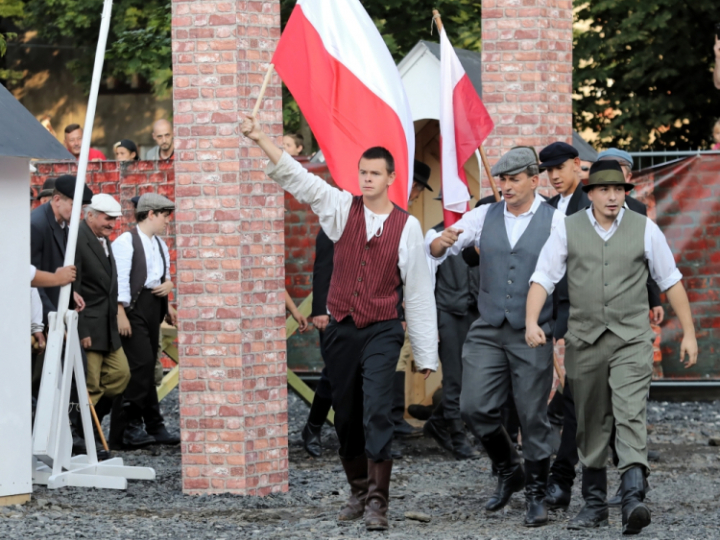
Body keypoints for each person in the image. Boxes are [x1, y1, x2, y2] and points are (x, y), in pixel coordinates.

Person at [242, 114, 437, 532]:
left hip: (383, 327)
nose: (366, 179)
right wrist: (261, 138)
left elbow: (418, 292)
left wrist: (425, 353)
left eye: (374, 173)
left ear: (390, 178)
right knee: (346, 416)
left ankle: (378, 504)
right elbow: (298, 178)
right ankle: (358, 489)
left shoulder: (408, 227)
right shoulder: (339, 207)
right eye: (362, 172)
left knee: (377, 412)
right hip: (342, 329)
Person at [526, 160, 698, 535]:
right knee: (589, 421)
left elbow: (671, 279)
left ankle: (634, 497)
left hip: (631, 338)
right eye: (604, 189)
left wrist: (688, 332)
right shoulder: (567, 229)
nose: (612, 196)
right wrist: (530, 321)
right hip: (584, 341)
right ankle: (594, 504)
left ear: (625, 193)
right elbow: (543, 276)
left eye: (618, 190)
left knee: (630, 410)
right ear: (590, 194)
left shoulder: (644, 228)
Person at [426, 147, 564, 528]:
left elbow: (567, 272)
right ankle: (508, 468)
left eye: (513, 179)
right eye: (501, 179)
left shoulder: (556, 221)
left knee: (533, 415)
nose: (504, 186)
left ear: (534, 181)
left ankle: (536, 495)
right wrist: (439, 243)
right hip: (487, 327)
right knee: (473, 406)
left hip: (532, 330)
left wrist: (560, 325)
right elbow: (443, 243)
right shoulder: (484, 215)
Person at [541, 143, 665, 511]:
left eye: (558, 168)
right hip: (570, 313)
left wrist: (653, 299)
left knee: (603, 404)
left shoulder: (633, 213)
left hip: (620, 317)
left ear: (578, 170)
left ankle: (607, 484)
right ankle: (580, 483)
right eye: (548, 170)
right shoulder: (549, 211)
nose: (553, 175)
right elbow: (545, 269)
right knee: (580, 402)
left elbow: (644, 259)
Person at [111, 193, 179, 448]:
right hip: (132, 309)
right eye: (164, 216)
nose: (166, 221)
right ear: (150, 214)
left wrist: (168, 299)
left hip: (153, 307)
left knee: (148, 367)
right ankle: (125, 428)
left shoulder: (159, 244)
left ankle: (154, 425)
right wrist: (121, 314)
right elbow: (118, 282)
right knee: (141, 365)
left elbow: (163, 276)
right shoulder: (125, 242)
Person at [422, 191, 480, 461]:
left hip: (476, 313)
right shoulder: (434, 237)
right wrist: (430, 326)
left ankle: (437, 420)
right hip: (448, 313)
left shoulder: (478, 232)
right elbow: (426, 283)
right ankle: (458, 438)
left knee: (476, 379)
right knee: (455, 379)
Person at [75, 194, 131, 458]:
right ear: (91, 214)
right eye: (108, 218)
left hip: (107, 326)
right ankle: (82, 436)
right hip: (91, 327)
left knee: (120, 375)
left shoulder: (102, 239)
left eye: (115, 219)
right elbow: (73, 290)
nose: (113, 224)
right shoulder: (77, 239)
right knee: (90, 385)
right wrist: (82, 329)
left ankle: (86, 424)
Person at [301, 229, 335, 457]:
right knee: (334, 372)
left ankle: (369, 433)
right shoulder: (332, 228)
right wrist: (320, 311)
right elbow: (322, 270)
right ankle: (313, 427)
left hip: (367, 312)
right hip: (334, 313)